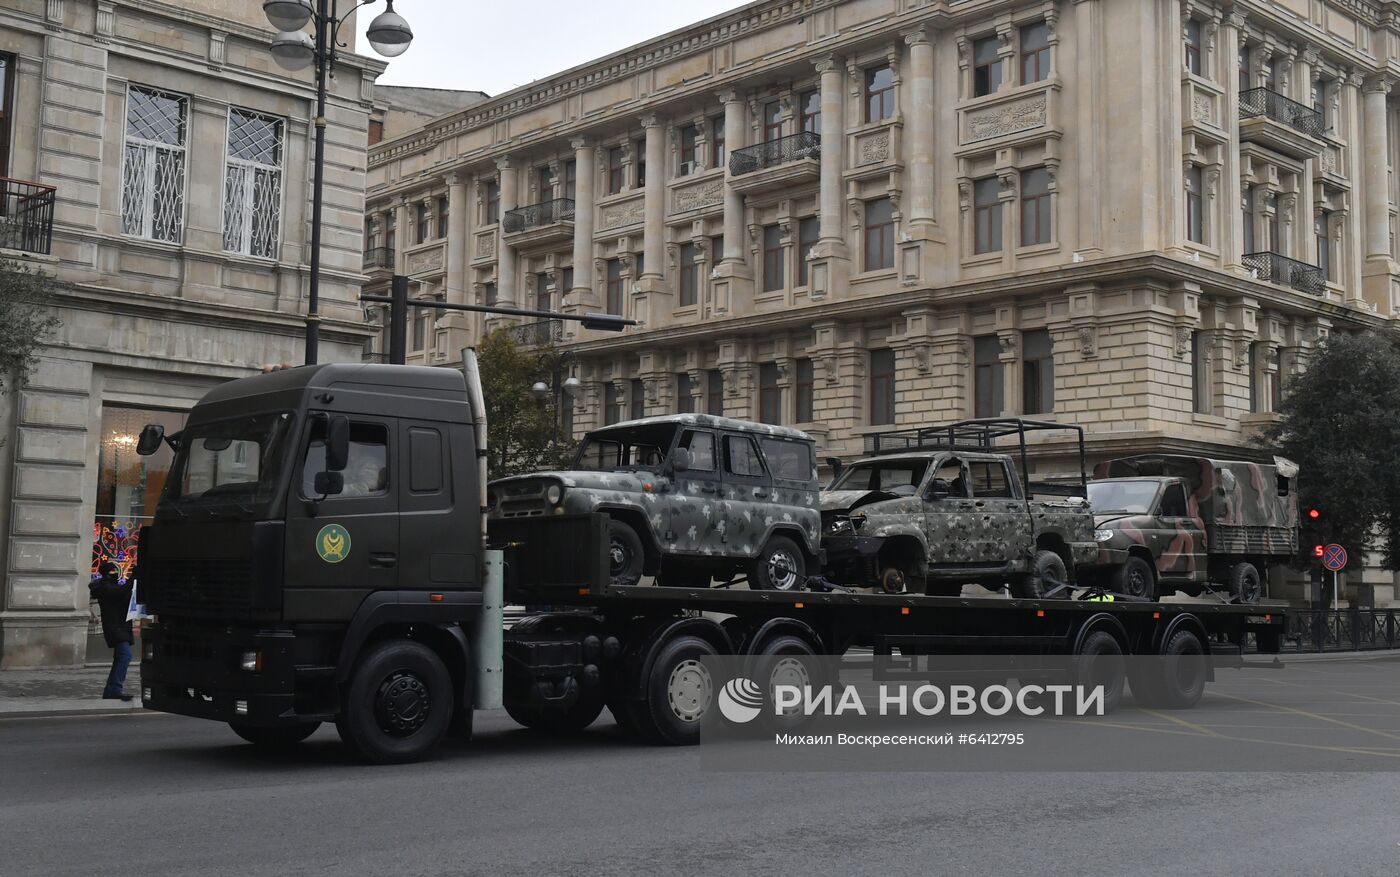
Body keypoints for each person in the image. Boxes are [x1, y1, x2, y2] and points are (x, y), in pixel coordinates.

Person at [89, 561, 134, 701]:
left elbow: (124, 595)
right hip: (115, 628)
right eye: (112, 572)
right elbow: (120, 592)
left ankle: (111, 690)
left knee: (120, 658)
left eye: (116, 571)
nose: (114, 574)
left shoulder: (112, 586)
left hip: (121, 627)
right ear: (106, 574)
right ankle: (115, 689)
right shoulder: (104, 588)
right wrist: (133, 578)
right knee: (125, 656)